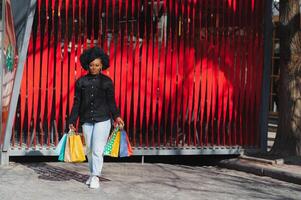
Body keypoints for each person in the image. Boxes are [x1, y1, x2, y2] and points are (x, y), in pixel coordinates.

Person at [69, 46, 124, 189]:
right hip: (86, 120)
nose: (94, 68)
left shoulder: (107, 82)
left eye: (97, 65)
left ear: (102, 66)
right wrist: (71, 121)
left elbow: (112, 102)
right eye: (92, 65)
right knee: (88, 150)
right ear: (87, 65)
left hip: (103, 120)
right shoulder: (81, 82)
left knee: (97, 149)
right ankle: (92, 173)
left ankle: (95, 176)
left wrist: (117, 117)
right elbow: (77, 103)